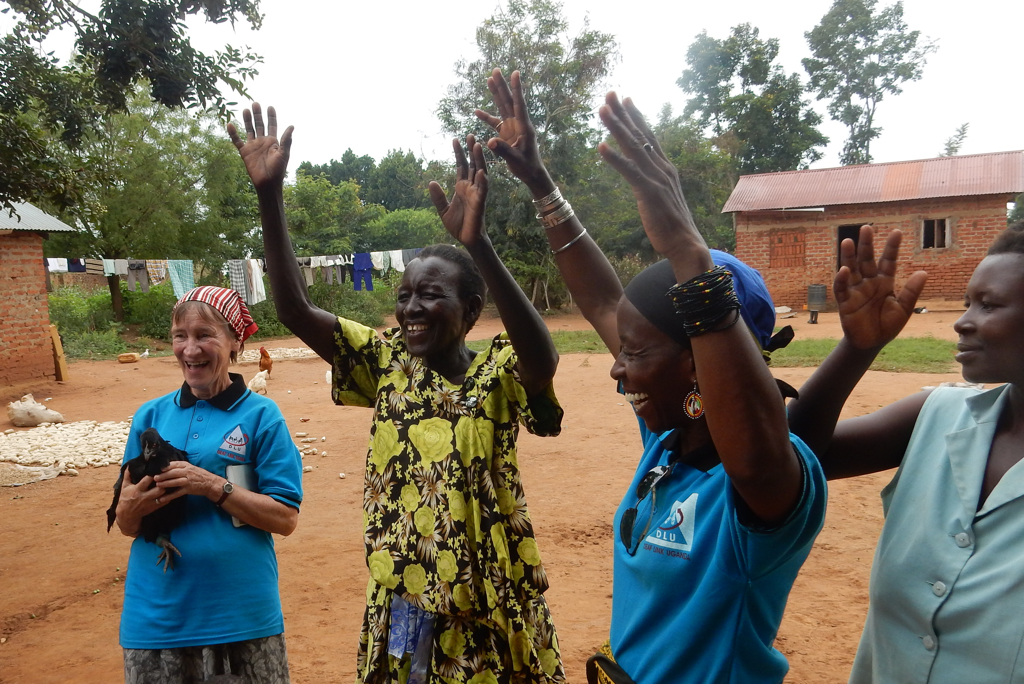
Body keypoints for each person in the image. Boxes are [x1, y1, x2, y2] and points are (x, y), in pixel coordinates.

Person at [475, 70, 827, 684]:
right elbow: (605, 304)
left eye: (634, 352)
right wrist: (540, 184)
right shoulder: (668, 445)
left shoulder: (763, 484)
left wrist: (689, 255)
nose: (616, 365)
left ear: (699, 361)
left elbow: (751, 457)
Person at [228, 105, 565, 684]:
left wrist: (478, 243)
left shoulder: (498, 375)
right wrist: (270, 196)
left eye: (430, 295)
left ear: (469, 312)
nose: (410, 309)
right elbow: (293, 309)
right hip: (404, 601)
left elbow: (543, 358)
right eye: (405, 295)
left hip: (489, 603)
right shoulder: (384, 364)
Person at [787, 220, 1024, 683]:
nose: (962, 320)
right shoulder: (937, 414)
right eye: (967, 302)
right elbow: (797, 456)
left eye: (989, 305)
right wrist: (858, 349)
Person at [113, 285, 303, 683]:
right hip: (156, 619)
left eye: (204, 335)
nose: (190, 349)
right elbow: (129, 526)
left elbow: (285, 518)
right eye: (180, 336)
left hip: (241, 617)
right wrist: (129, 508)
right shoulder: (150, 416)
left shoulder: (262, 416)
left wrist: (214, 486)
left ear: (235, 341)